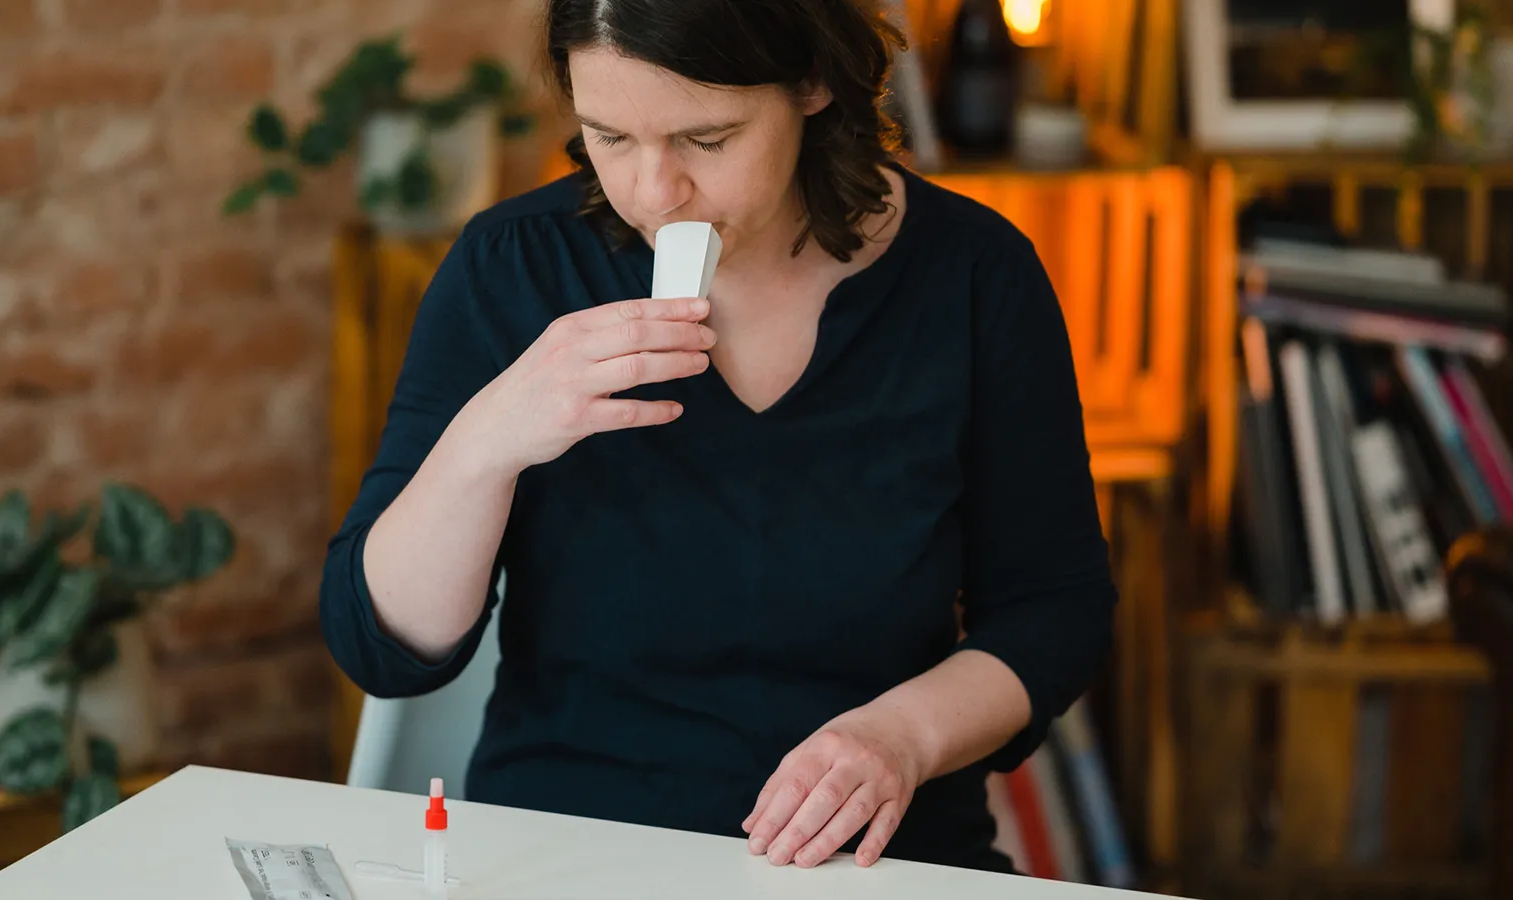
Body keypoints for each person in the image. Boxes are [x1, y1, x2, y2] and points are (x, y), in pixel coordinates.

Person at [319, 0, 1117, 874]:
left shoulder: (974, 276)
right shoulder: (513, 269)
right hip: (565, 852)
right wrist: (488, 441)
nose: (655, 195)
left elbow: (1056, 609)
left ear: (812, 84)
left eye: (706, 139)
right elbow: (380, 650)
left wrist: (905, 737)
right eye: (609, 138)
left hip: (876, 864)